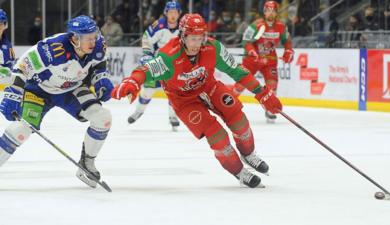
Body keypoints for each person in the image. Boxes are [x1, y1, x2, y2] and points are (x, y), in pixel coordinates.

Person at [111, 14, 282, 188]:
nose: (196, 44)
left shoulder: (212, 48)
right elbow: (145, 70)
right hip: (184, 101)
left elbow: (236, 70)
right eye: (192, 38)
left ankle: (248, 154)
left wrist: (262, 93)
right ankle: (239, 171)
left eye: (200, 38)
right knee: (217, 136)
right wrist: (132, 81)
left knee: (239, 120)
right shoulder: (168, 56)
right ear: (183, 36)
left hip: (210, 88)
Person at [0, 15, 114, 189]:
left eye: (94, 36)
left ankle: (87, 163)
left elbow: (99, 64)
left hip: (71, 89)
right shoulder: (52, 50)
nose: (94, 41)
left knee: (103, 118)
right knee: (21, 130)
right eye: (88, 38)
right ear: (75, 38)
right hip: (38, 90)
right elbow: (21, 67)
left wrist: (101, 79)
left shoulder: (98, 45)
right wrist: (13, 93)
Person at [234, 1, 294, 123]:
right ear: (264, 12)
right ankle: (226, 106)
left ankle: (269, 108)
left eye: (273, 10)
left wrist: (288, 51)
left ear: (277, 12)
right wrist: (251, 51)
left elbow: (287, 41)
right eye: (268, 10)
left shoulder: (281, 27)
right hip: (252, 60)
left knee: (272, 84)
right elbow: (246, 41)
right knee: (240, 85)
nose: (270, 13)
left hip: (270, 60)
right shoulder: (256, 25)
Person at [127, 1, 181, 131]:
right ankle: (139, 111)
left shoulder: (184, 27)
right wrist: (147, 53)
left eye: (175, 12)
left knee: (175, 93)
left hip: (177, 65)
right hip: (158, 63)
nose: (173, 15)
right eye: (170, 12)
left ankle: (173, 116)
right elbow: (146, 38)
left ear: (179, 13)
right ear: (165, 13)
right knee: (148, 90)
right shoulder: (159, 25)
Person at [0, 9, 15, 86]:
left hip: (4, 86)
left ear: (5, 25)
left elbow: (10, 64)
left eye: (1, 23)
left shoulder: (7, 44)